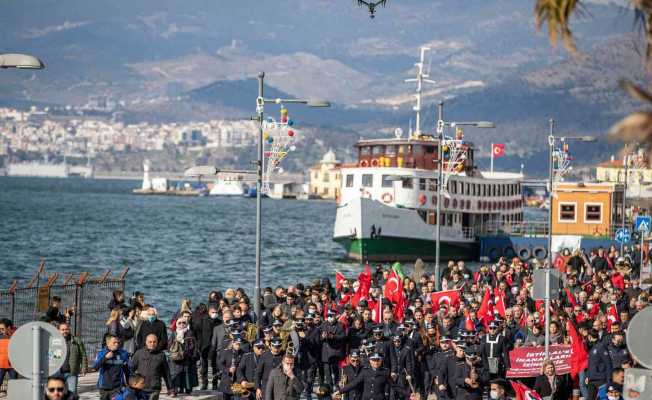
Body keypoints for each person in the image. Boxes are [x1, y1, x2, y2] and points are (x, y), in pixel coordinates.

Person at [130, 334, 171, 400]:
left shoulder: (161, 355)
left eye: (154, 342)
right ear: (146, 342)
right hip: (141, 388)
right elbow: (131, 369)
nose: (152, 344)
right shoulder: (139, 353)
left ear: (157, 343)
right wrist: (131, 384)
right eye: (150, 342)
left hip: (154, 388)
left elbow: (166, 373)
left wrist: (170, 387)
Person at [168, 317, 200, 395]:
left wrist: (186, 352)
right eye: (179, 323)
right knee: (175, 373)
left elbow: (193, 346)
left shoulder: (190, 333)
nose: (182, 324)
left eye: (184, 323)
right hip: (176, 358)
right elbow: (169, 345)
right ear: (176, 324)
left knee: (187, 374)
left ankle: (187, 389)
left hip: (187, 358)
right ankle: (175, 389)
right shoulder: (173, 333)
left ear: (186, 324)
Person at [92, 334, 129, 400]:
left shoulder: (123, 354)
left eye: (118, 342)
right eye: (114, 342)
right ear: (108, 343)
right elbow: (95, 367)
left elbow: (127, 370)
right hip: (104, 387)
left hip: (117, 387)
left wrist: (129, 384)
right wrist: (105, 358)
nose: (117, 344)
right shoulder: (102, 353)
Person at [55, 323, 87, 394]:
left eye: (66, 329)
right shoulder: (55, 341)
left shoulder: (76, 341)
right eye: (62, 330)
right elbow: (52, 357)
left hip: (71, 372)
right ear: (58, 330)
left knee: (71, 394)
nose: (65, 331)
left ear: (69, 330)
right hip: (58, 373)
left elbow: (83, 355)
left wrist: (84, 368)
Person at [0, 320, 16, 387]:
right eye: (0, 329)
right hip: (1, 365)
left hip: (13, 365)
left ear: (8, 328)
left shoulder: (16, 336)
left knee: (14, 384)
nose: (1, 331)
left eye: (2, 329)